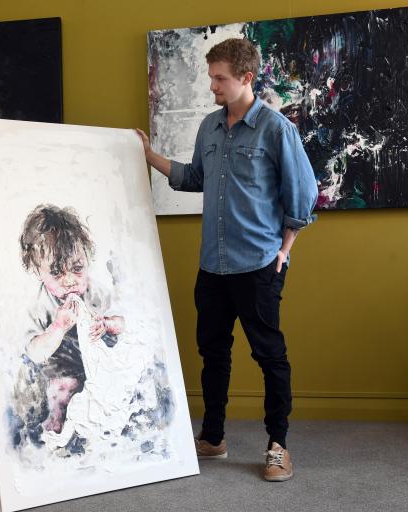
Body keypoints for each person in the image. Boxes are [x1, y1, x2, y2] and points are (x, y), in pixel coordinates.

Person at [136, 38, 318, 481]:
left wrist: (284, 251)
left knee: (270, 356)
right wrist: (148, 155)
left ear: (245, 78)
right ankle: (213, 437)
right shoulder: (209, 128)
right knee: (212, 353)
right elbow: (194, 177)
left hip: (258, 266)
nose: (212, 86)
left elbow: (304, 196)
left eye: (219, 78)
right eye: (211, 76)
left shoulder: (276, 130)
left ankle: (278, 445)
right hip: (212, 267)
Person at [18, 204, 125, 439]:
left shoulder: (96, 292)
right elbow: (35, 352)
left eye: (77, 269)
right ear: (37, 271)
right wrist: (58, 327)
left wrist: (107, 324)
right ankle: (55, 429)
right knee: (62, 389)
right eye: (56, 272)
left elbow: (122, 324)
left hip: (95, 364)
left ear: (87, 259)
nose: (69, 281)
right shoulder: (39, 304)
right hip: (58, 369)